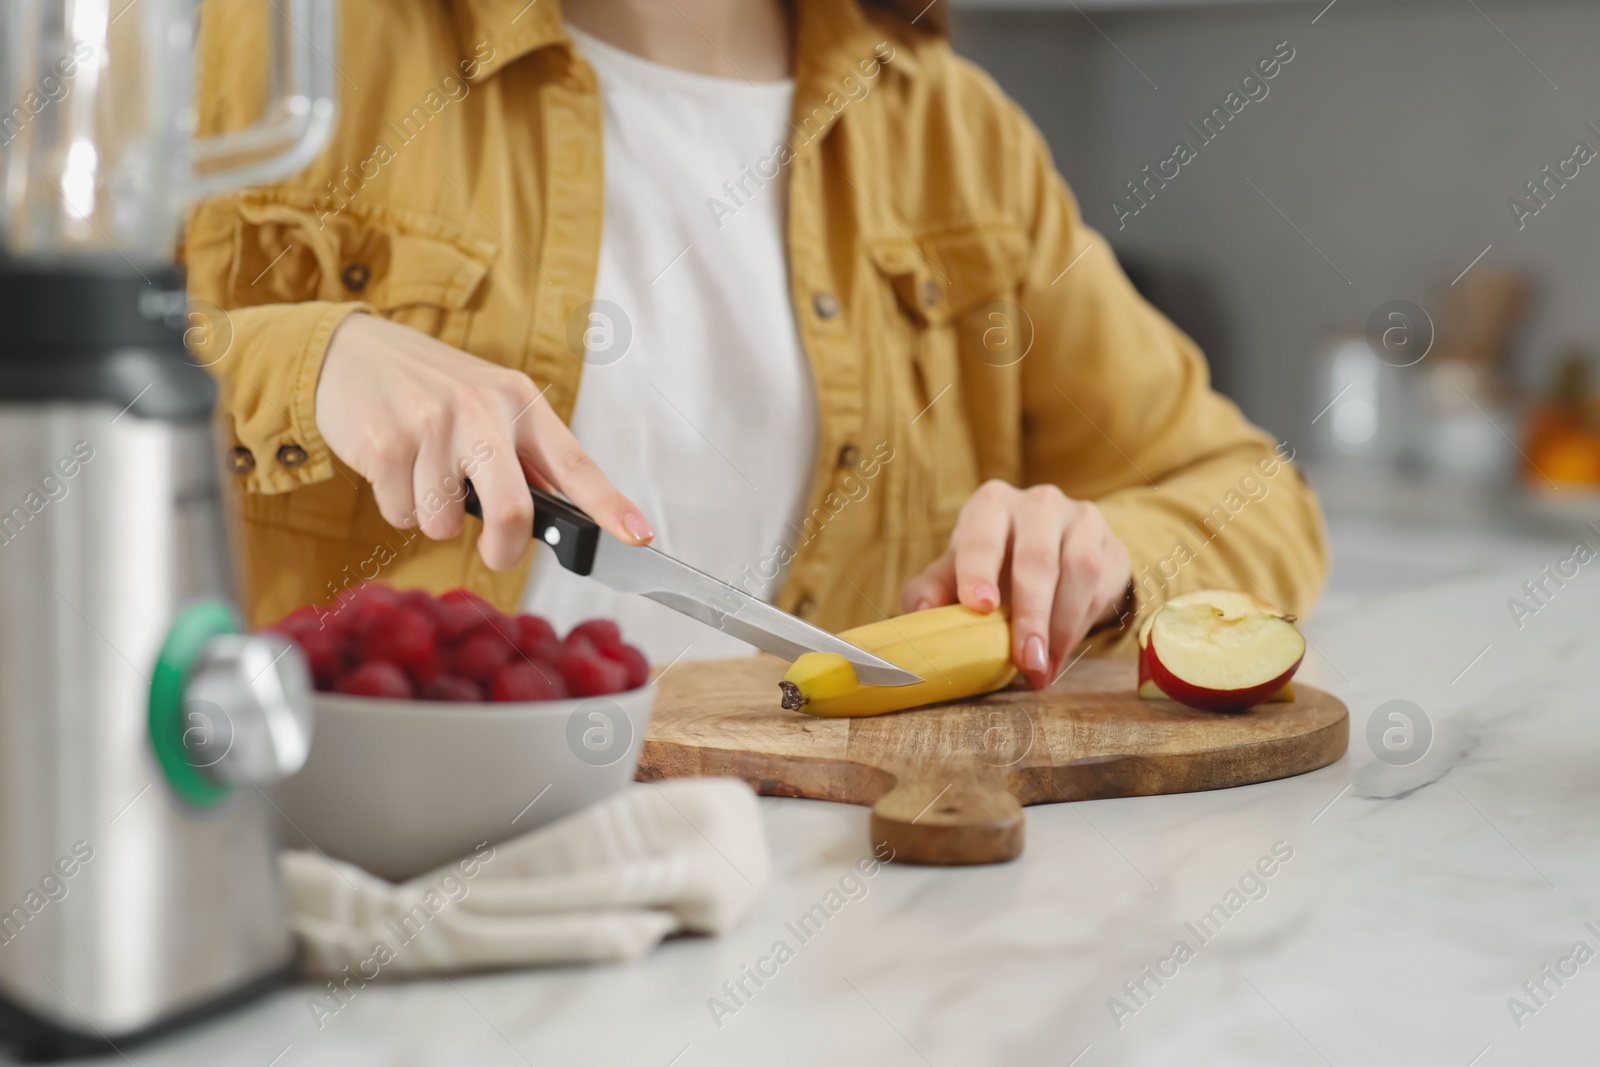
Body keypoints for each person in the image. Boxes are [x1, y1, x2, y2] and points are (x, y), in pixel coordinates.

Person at [184, 0, 1327, 690]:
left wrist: (1107, 557)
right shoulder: (275, 45)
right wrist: (304, 359)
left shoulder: (957, 137)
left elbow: (1253, 494)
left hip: (808, 929)